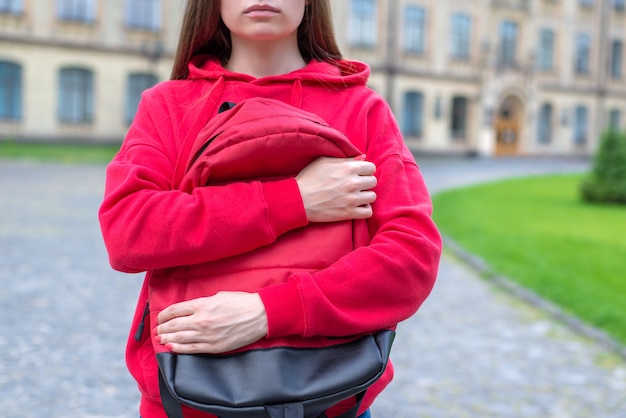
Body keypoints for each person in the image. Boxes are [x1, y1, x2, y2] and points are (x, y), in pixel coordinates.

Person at [98, 1, 442, 417]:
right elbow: (128, 232)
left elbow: (411, 259)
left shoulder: (362, 110)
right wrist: (297, 199)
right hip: (184, 402)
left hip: (331, 400)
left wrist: (266, 313)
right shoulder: (170, 105)